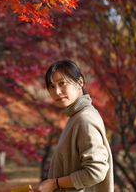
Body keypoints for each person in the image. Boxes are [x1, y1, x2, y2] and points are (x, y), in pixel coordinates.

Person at [31, 60, 114, 192]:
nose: (57, 91)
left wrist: (54, 184)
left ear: (80, 82)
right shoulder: (76, 117)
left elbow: (96, 171)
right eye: (52, 86)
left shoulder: (84, 119)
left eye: (62, 83)